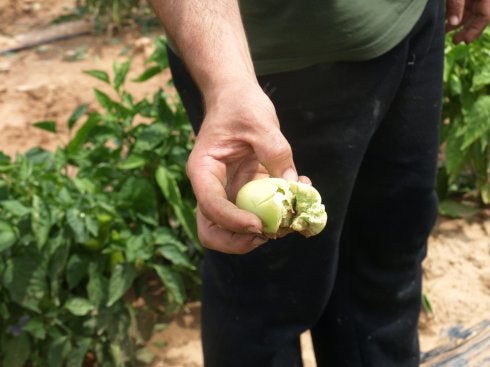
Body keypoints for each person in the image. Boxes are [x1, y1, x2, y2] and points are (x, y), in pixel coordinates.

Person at [148, 0, 490, 366]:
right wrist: (227, 81)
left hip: (412, 20)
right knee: (265, 293)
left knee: (388, 258)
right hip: (263, 67)